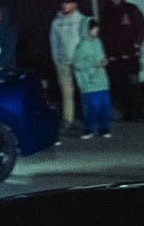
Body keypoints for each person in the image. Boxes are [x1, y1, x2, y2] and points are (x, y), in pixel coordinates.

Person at [100, 0, 144, 122]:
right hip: (114, 56)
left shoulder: (131, 9)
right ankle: (127, 112)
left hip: (130, 55)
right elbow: (103, 33)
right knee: (119, 85)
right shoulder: (106, 11)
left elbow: (141, 27)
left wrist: (137, 43)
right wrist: (106, 51)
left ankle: (139, 112)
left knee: (133, 84)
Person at [50, 0, 88, 133]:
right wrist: (56, 61)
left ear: (75, 4)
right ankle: (68, 118)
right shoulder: (57, 23)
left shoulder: (83, 20)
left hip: (81, 62)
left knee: (85, 90)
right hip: (63, 62)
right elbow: (54, 44)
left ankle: (89, 117)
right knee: (66, 93)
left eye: (68, 3)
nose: (64, 5)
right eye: (64, 3)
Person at [72, 19, 113, 139]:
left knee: (105, 106)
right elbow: (77, 64)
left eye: (97, 28)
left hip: (102, 81)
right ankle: (89, 129)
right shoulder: (82, 45)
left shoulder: (98, 42)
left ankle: (104, 128)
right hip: (89, 83)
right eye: (94, 28)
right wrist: (94, 64)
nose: (97, 30)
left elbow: (101, 57)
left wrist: (104, 61)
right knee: (92, 107)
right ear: (87, 30)